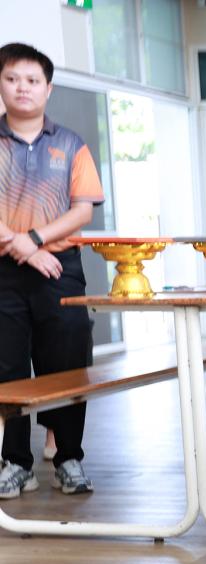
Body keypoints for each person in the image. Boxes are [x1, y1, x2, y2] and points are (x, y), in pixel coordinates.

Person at [0, 42, 101, 500]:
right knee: (8, 366)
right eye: (12, 79)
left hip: (60, 268)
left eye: (32, 80)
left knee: (67, 363)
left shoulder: (71, 144)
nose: (22, 88)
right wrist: (21, 248)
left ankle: (68, 458)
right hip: (4, 271)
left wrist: (35, 240)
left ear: (48, 88)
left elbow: (83, 210)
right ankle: (16, 463)